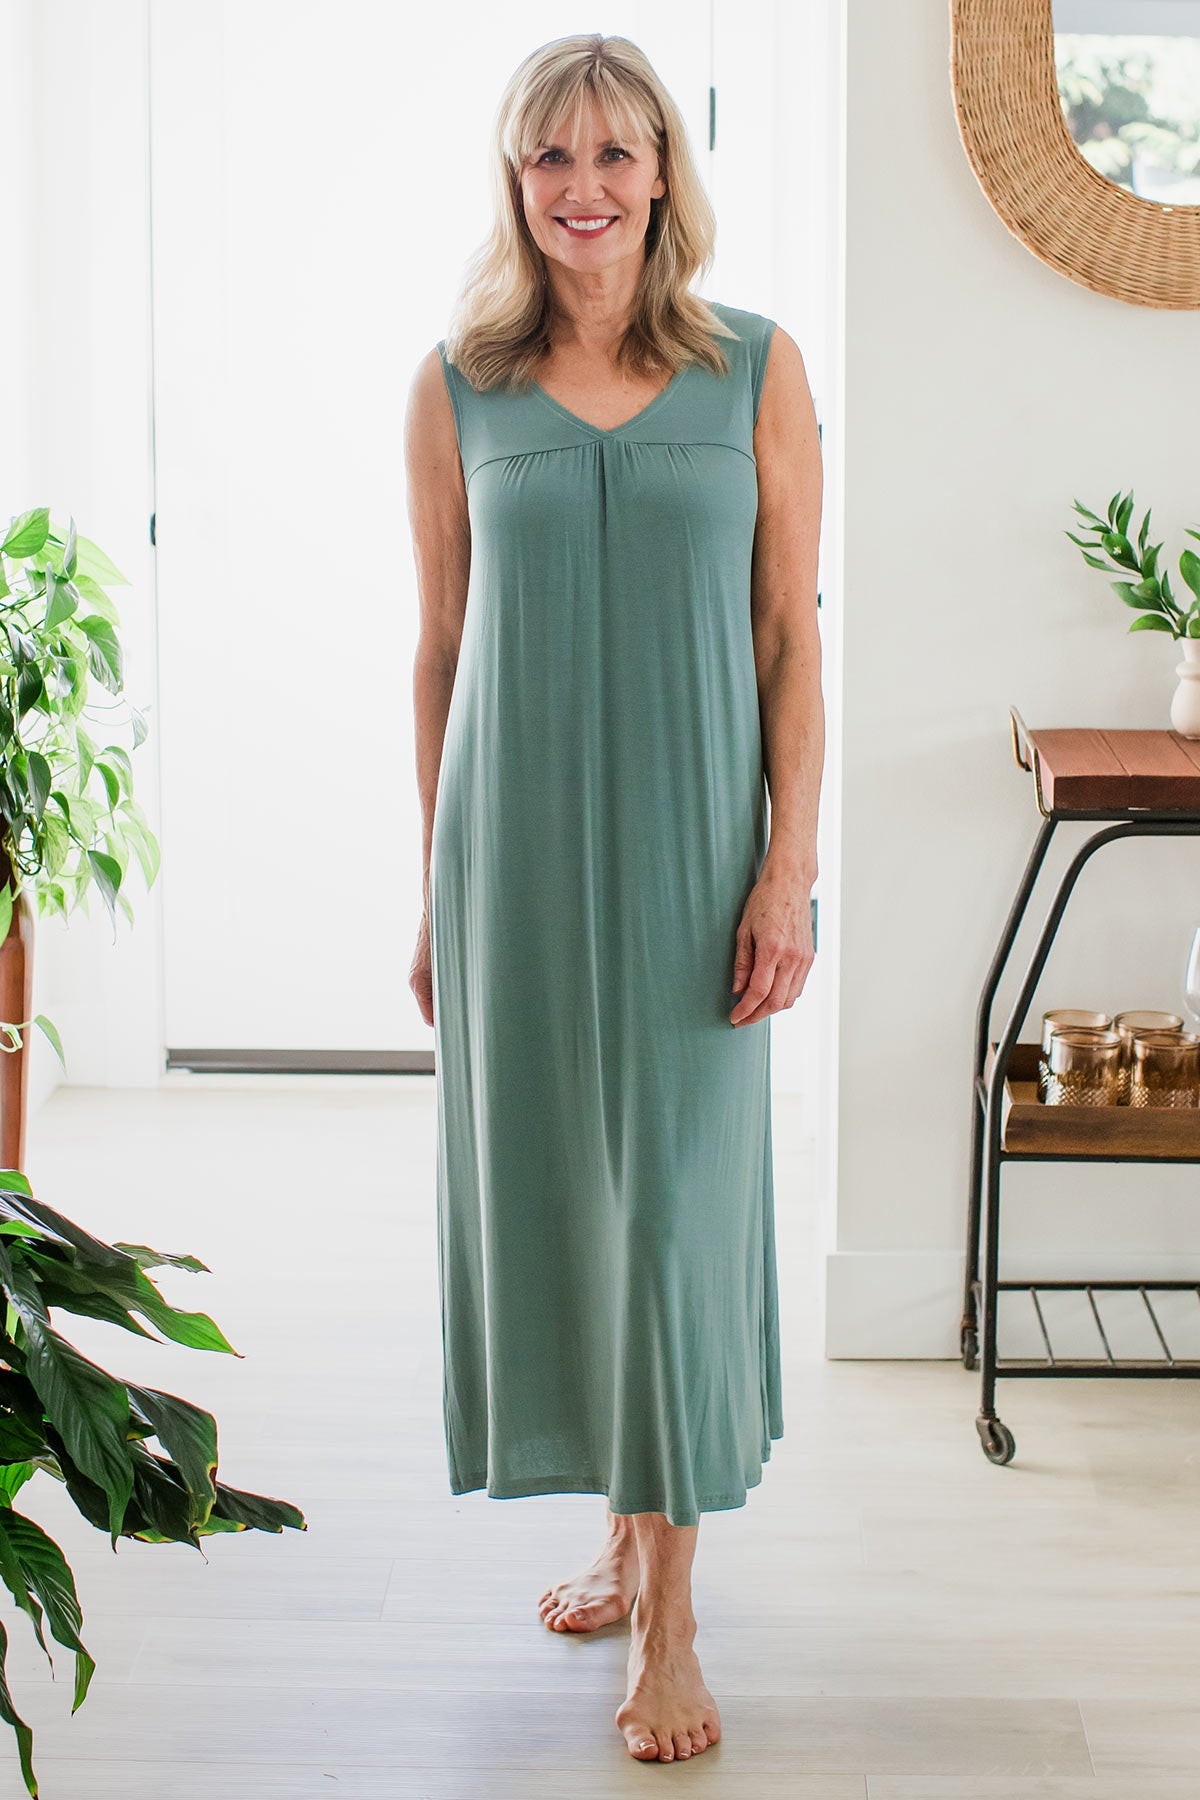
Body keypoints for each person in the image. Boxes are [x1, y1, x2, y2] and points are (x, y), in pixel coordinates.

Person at [404, 32, 823, 1766]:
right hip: (508, 857)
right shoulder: (456, 386)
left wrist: (788, 864)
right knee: (568, 1204)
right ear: (517, 181)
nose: (583, 188)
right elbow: (441, 649)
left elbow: (790, 637)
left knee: (669, 1216)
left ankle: (673, 1615)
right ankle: (618, 1531)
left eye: (613, 155)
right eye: (550, 158)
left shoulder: (756, 368)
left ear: (662, 173)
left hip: (694, 855)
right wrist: (432, 887)